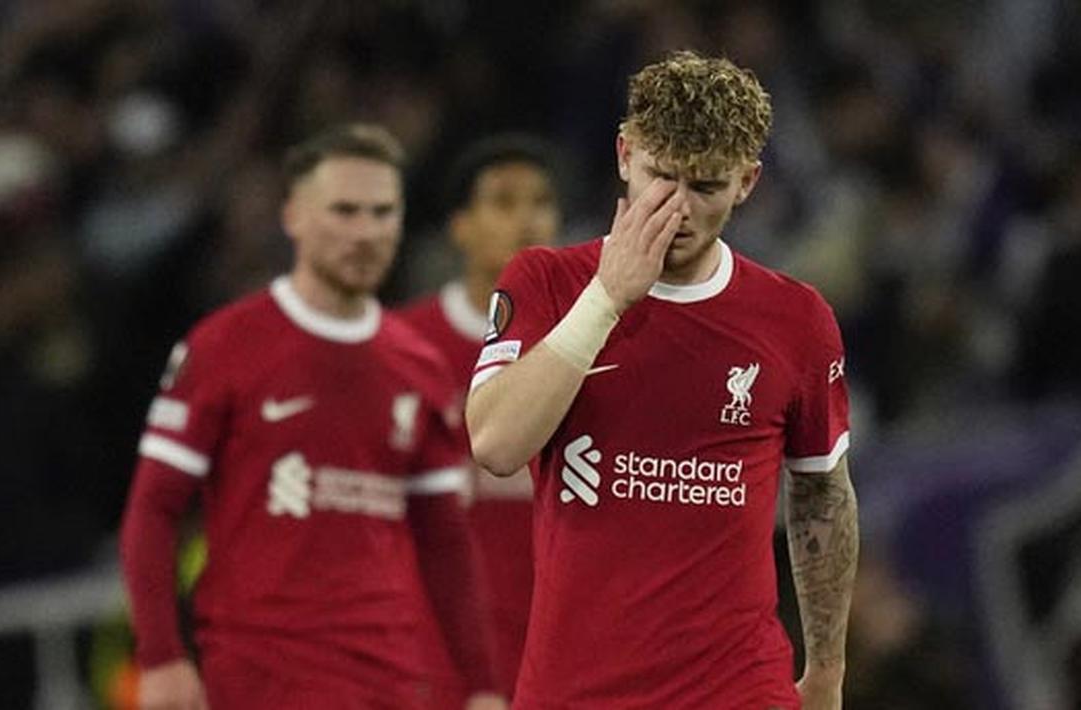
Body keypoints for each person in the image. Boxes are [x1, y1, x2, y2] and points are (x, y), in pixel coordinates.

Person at [466, 51, 859, 709]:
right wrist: (607, 297)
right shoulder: (546, 282)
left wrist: (826, 668)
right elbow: (496, 445)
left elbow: (822, 494)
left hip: (738, 688)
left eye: (704, 187)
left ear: (747, 183)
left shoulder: (794, 319)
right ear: (624, 155)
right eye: (659, 176)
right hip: (576, 689)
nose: (675, 208)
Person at [119, 124, 503, 710]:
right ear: (294, 216)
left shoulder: (416, 366)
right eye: (344, 211)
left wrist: (479, 685)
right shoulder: (226, 345)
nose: (366, 232)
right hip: (262, 673)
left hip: (392, 676)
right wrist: (161, 657)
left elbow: (445, 542)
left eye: (383, 212)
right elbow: (154, 507)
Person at [400, 134, 561, 704]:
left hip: (562, 649)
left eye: (540, 202)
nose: (527, 219)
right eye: (503, 201)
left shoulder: (584, 347)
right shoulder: (403, 349)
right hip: (435, 656)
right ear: (459, 226)